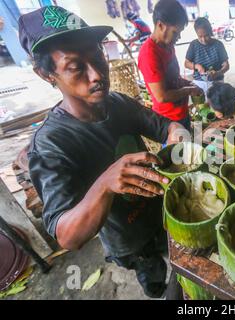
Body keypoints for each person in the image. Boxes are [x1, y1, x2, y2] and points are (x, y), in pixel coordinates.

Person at [18, 6, 186, 299]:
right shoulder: (50, 145)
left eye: (97, 57)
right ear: (46, 74)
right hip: (128, 239)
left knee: (176, 256)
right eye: (75, 67)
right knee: (154, 277)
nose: (96, 75)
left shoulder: (118, 103)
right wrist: (105, 183)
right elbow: (67, 235)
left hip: (162, 214)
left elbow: (167, 127)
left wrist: (181, 139)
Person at [138, 0, 202, 130]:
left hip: (181, 113)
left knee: (187, 148)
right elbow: (161, 96)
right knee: (175, 150)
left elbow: (173, 78)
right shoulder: (149, 54)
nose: (178, 37)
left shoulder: (168, 46)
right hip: (168, 120)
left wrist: (188, 84)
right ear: (160, 25)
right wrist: (189, 90)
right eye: (175, 32)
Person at [185, 17, 229, 96]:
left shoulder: (218, 45)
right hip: (199, 83)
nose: (203, 39)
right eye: (200, 36)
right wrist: (197, 66)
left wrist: (218, 73)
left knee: (217, 105)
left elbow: (226, 65)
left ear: (210, 32)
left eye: (206, 36)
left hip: (217, 82)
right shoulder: (193, 45)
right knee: (201, 106)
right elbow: (186, 63)